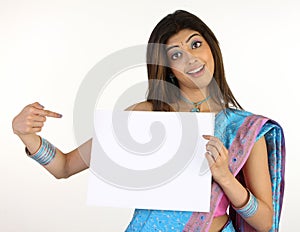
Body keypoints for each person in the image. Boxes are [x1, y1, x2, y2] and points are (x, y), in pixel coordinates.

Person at [12, 10, 285, 232]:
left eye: (196, 44)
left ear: (211, 47)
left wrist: (226, 178)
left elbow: (264, 223)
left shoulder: (246, 129)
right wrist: (28, 138)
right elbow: (65, 166)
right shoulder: (145, 116)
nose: (190, 58)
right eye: (176, 54)